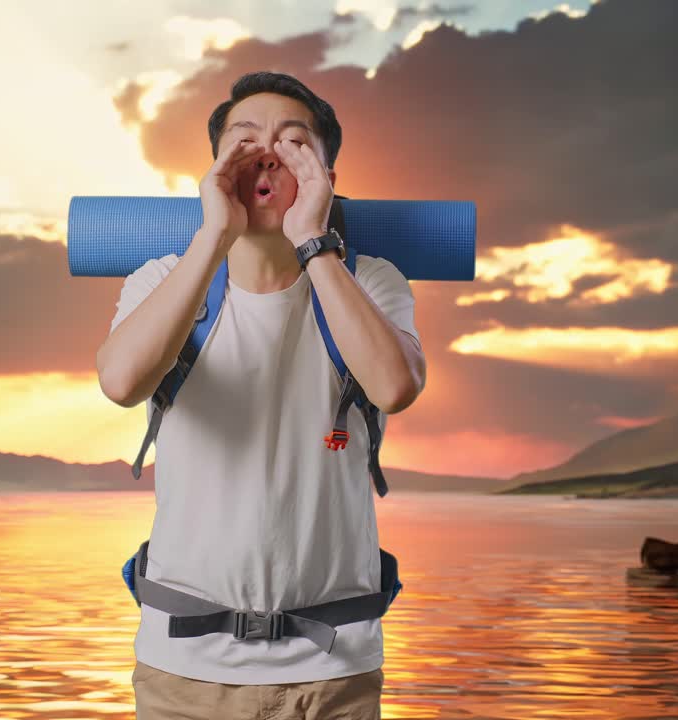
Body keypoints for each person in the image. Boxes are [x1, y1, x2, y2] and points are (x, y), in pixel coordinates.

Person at [96, 70, 426, 719]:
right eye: (244, 141)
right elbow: (120, 382)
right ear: (217, 168)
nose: (268, 153)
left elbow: (395, 385)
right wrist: (213, 236)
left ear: (326, 172)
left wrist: (314, 241)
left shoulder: (372, 282)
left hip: (335, 670)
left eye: (294, 142)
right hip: (183, 669)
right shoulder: (164, 280)